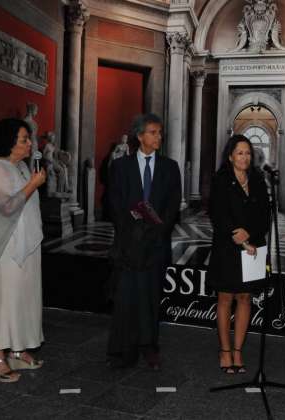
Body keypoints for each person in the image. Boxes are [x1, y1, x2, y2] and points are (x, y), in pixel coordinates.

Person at [107, 113, 181, 370]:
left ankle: (150, 347)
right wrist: (134, 228)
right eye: (153, 132)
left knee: (151, 298)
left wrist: (154, 231)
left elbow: (173, 207)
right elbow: (114, 204)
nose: (158, 136)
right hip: (128, 245)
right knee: (127, 297)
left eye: (160, 132)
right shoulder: (121, 166)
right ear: (139, 136)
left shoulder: (170, 167)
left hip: (156, 245)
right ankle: (125, 349)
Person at [0, 118, 46, 383]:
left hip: (26, 246)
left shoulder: (22, 168)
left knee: (24, 297)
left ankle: (17, 350)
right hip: (5, 249)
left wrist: (32, 180)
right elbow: (6, 207)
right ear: (8, 142)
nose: (30, 144)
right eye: (24, 140)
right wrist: (33, 185)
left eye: (29, 139)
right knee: (5, 300)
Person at [208, 134, 269, 374]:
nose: (245, 157)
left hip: (253, 247)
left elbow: (264, 215)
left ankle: (238, 351)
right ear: (231, 156)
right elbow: (217, 214)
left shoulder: (258, 179)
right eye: (240, 152)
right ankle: (224, 350)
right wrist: (238, 235)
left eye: (248, 153)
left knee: (245, 298)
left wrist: (249, 235)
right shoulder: (220, 179)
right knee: (225, 298)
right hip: (227, 246)